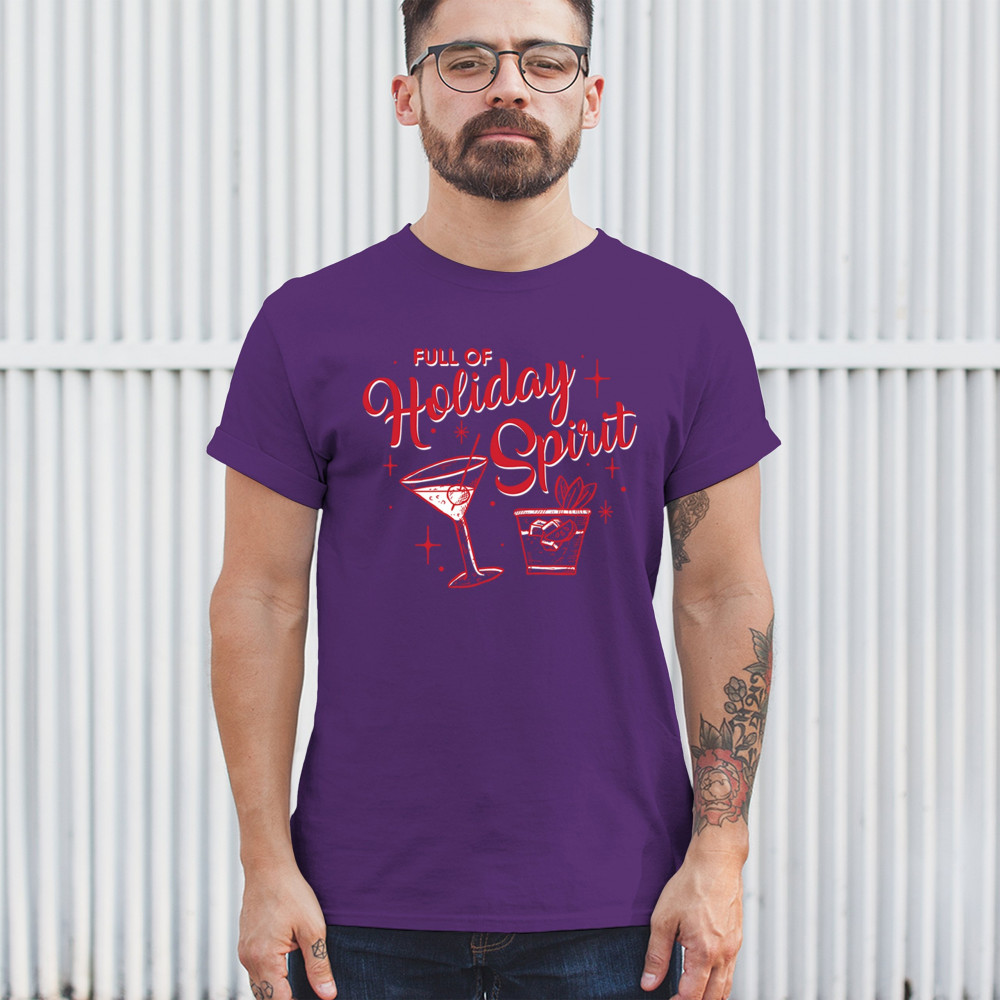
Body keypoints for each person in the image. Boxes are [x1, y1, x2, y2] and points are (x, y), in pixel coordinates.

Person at [206, 0, 780, 997]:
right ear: (407, 95)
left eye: (545, 61)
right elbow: (259, 598)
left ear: (590, 97)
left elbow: (722, 595)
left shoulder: (687, 326)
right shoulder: (307, 326)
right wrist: (265, 863)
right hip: (357, 906)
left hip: (620, 901)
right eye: (465, 60)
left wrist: (720, 853)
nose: (509, 86)